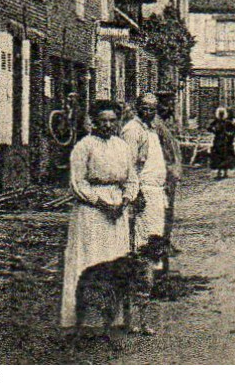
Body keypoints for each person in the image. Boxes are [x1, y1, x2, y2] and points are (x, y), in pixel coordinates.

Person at [60, 101, 140, 328]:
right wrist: (100, 202)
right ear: (94, 122)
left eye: (112, 121)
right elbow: (77, 182)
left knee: (117, 262)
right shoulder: (84, 146)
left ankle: (114, 318)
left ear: (118, 122)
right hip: (92, 211)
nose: (107, 125)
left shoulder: (122, 146)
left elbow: (132, 179)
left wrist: (125, 200)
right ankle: (85, 319)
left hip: (117, 211)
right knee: (91, 259)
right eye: (102, 121)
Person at [120, 94, 169, 253]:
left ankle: (153, 273)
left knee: (155, 235)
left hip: (156, 190)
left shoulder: (150, 128)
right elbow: (128, 165)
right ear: (137, 107)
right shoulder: (132, 130)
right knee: (144, 237)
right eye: (144, 108)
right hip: (144, 189)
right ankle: (143, 274)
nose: (148, 112)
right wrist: (136, 193)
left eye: (152, 109)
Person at [152, 95, 183, 242]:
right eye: (166, 106)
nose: (169, 109)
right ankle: (162, 242)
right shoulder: (155, 125)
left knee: (168, 208)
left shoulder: (165, 124)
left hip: (170, 170)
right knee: (163, 209)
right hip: (162, 171)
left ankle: (166, 240)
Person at [208, 108, 235, 178]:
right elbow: (209, 128)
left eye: (222, 114)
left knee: (226, 156)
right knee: (217, 156)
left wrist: (230, 134)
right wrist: (214, 131)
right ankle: (219, 173)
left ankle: (225, 172)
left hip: (225, 141)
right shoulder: (216, 122)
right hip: (218, 141)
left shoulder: (227, 122)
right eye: (220, 114)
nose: (221, 115)